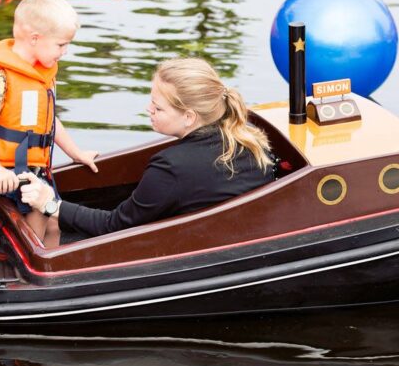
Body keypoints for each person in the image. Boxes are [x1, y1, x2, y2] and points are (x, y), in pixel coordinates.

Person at [18, 57, 274, 239]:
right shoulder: (251, 139)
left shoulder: (171, 167)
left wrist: (50, 204)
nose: (147, 110)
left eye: (158, 107)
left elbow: (113, 226)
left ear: (189, 117)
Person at [0, 0, 98, 246]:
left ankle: (52, 262)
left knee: (54, 221)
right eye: (61, 45)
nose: (65, 52)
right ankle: (28, 265)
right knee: (39, 206)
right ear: (35, 38)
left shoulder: (42, 72)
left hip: (25, 164)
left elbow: (48, 121)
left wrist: (76, 153)